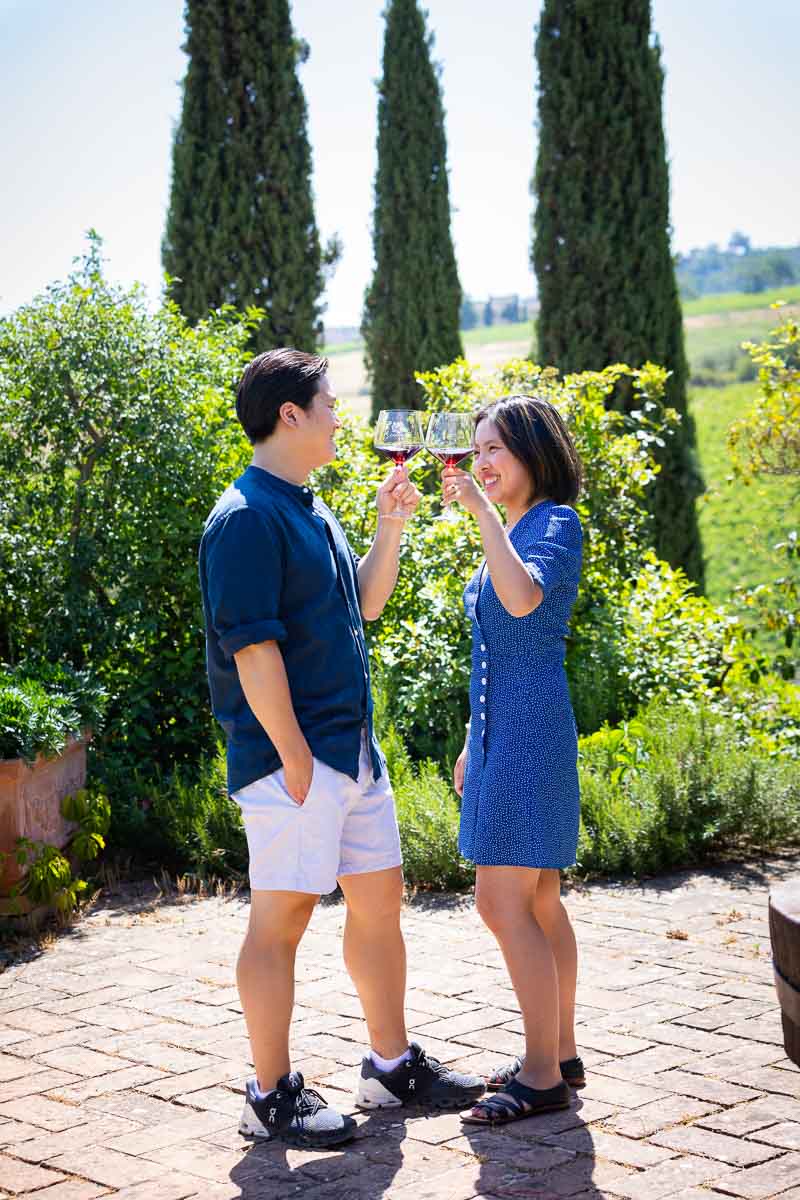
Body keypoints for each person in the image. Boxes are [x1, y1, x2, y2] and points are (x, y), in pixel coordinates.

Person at [198, 349, 484, 1149]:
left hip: (350, 752)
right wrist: (291, 757)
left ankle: (390, 1067)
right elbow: (252, 652)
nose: (338, 415)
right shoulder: (246, 517)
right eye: (327, 402)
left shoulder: (308, 506)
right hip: (296, 760)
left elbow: (363, 605)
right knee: (279, 923)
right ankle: (268, 1093)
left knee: (378, 903)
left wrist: (389, 525)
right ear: (290, 414)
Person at [442, 394, 585, 1127]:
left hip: (534, 734)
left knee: (501, 902)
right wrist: (473, 734)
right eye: (478, 449)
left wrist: (481, 514)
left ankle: (539, 1077)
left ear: (534, 451)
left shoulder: (555, 523)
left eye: (495, 448)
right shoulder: (519, 525)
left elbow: (524, 603)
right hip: (505, 733)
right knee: (537, 901)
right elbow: (492, 648)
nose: (481, 461)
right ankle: (558, 1053)